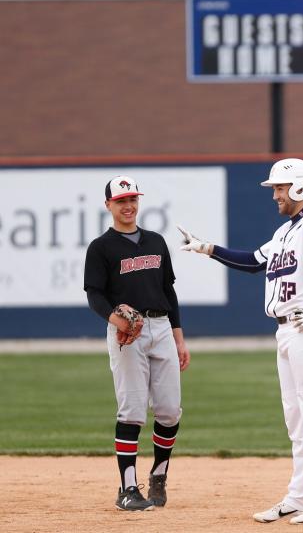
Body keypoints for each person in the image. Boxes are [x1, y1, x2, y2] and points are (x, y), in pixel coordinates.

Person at [179, 157, 303, 524]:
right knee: (296, 418)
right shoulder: (286, 232)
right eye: (274, 188)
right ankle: (302, 493)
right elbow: (255, 261)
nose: (274, 195)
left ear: (301, 187)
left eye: (279, 188)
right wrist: (206, 248)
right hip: (287, 330)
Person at [83, 175, 190, 511]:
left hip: (161, 327)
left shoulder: (156, 241)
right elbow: (95, 295)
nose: (128, 206)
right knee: (131, 411)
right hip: (127, 335)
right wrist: (116, 319)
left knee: (170, 411)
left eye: (132, 200)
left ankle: (159, 474)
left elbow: (168, 291)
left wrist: (178, 335)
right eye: (120, 201)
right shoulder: (101, 248)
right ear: (108, 206)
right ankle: (127, 489)